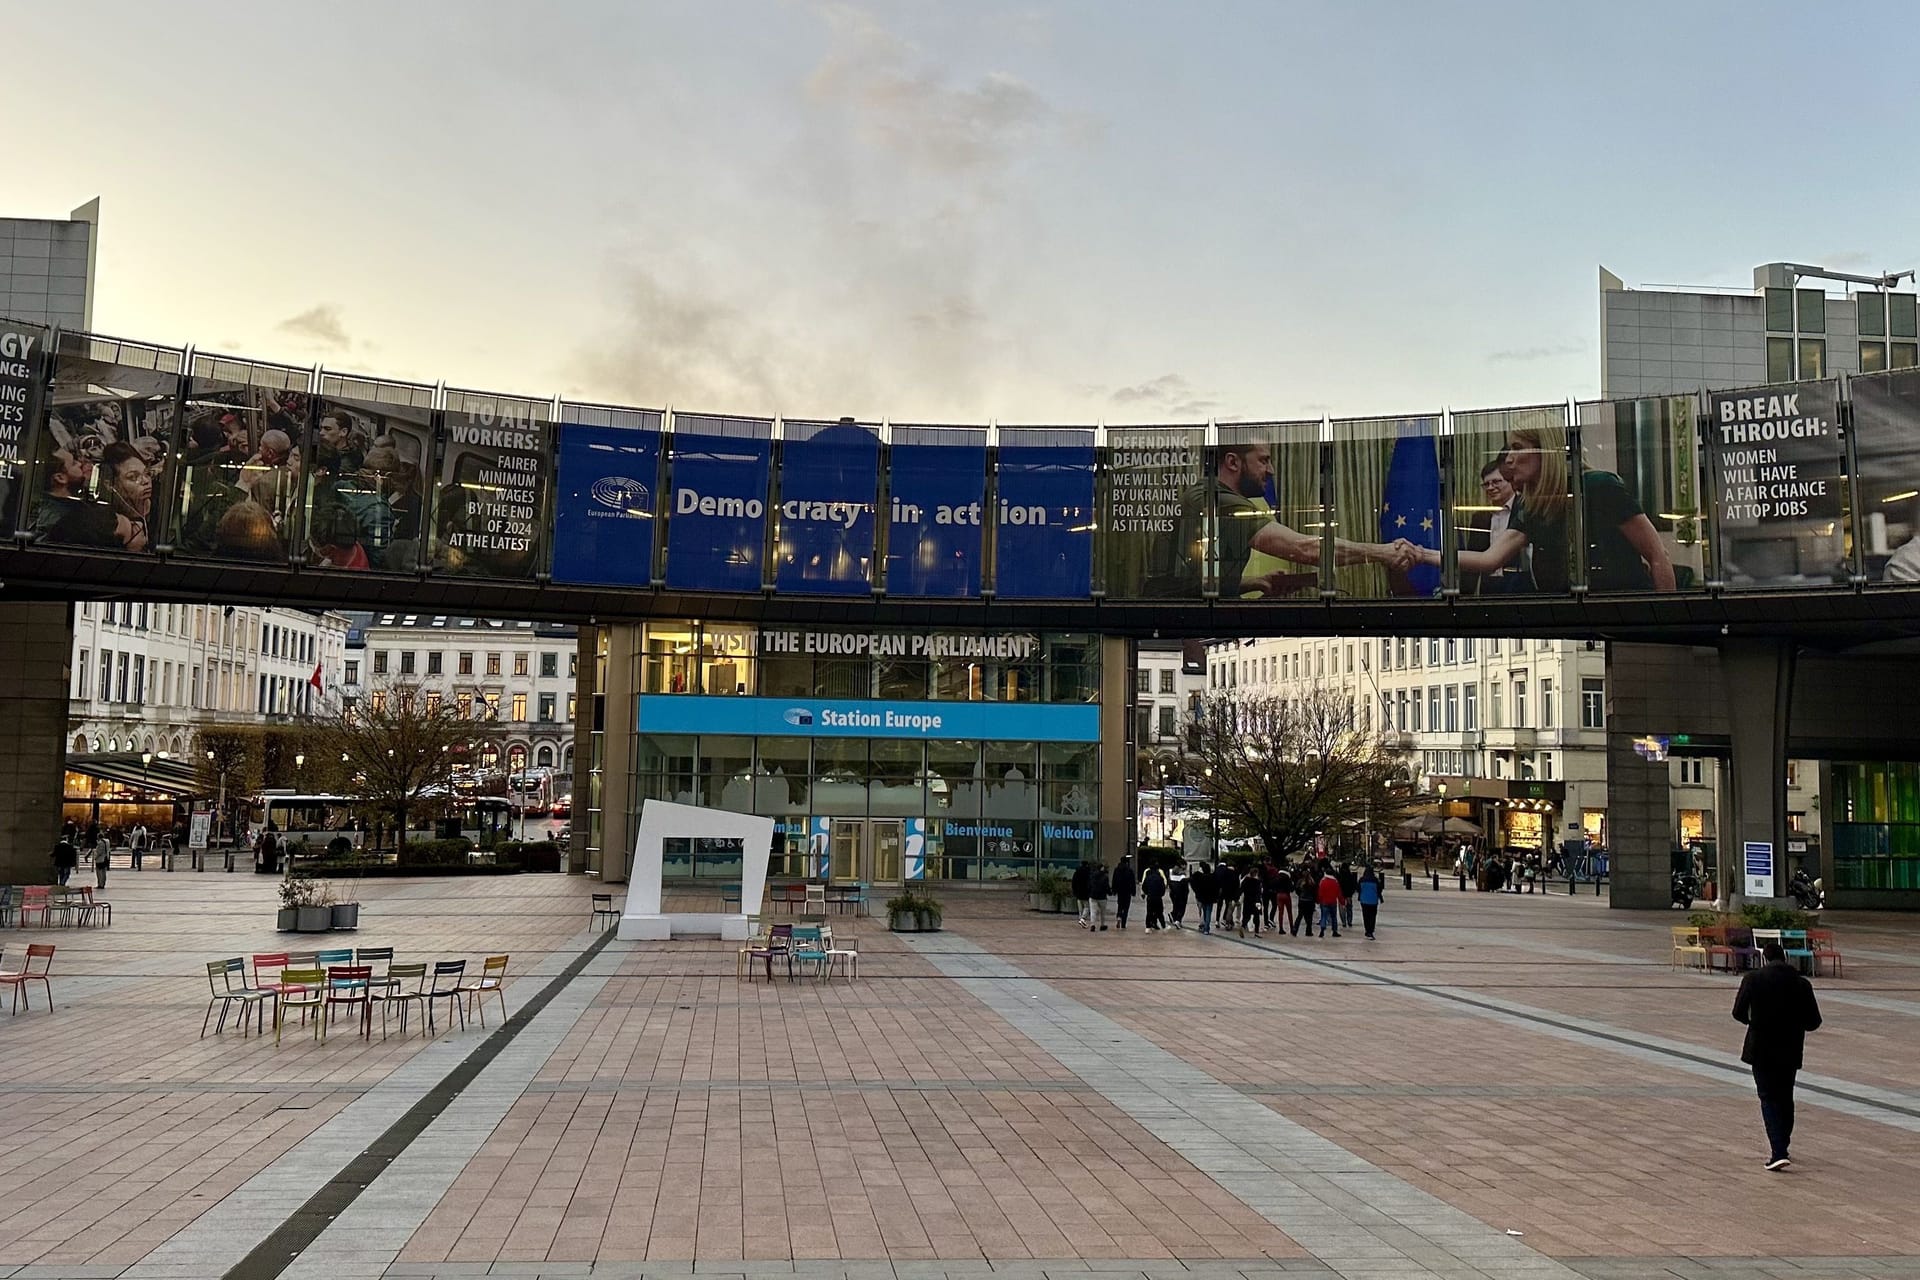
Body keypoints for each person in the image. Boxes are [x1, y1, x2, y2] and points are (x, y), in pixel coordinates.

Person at [1422, 420, 1676, 594]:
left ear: (1544, 451)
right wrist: (1423, 555)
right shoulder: (1532, 505)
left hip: (1624, 614)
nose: (1508, 459)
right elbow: (1490, 559)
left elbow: (1657, 555)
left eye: (1517, 448)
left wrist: (1665, 622)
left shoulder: (1600, 487)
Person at [1154, 441, 1418, 597]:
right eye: (1263, 460)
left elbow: (1192, 581)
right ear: (1233, 462)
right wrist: (1382, 553)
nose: (1271, 470)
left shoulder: (1217, 498)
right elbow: (1304, 549)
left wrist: (1257, 582)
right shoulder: (1215, 499)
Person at [1733, 940, 1823, 1170]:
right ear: (1785, 958)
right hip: (1790, 1049)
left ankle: (1778, 1150)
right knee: (1785, 1097)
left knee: (1768, 1097)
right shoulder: (1802, 984)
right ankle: (1783, 1144)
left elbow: (1738, 1012)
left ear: (1765, 957)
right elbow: (1814, 1021)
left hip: (1760, 1048)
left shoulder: (1752, 979)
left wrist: (1754, 1022)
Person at [1459, 456, 1535, 594]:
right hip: (1489, 587)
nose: (1490, 487)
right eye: (1486, 484)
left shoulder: (1526, 509)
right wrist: (1466, 595)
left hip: (1520, 584)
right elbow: (1474, 556)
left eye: (1496, 482)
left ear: (1510, 481)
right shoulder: (1480, 518)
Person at [1315, 864, 1343, 937]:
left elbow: (1320, 892)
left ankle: (1322, 930)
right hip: (1333, 902)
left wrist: (1318, 900)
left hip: (1324, 902)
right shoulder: (1335, 882)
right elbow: (1339, 893)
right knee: (1334, 917)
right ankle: (1334, 931)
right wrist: (1342, 901)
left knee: (1323, 916)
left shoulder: (1322, 882)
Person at [1357, 864, 1383, 939]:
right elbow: (1380, 889)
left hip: (1364, 901)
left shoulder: (1362, 880)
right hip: (1373, 901)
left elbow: (1358, 889)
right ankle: (1371, 930)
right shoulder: (1375, 880)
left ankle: (1367, 930)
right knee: (1372, 916)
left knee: (1366, 916)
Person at [1112, 854, 1138, 930]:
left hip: (1120, 891)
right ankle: (1123, 923)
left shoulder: (1117, 870)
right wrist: (1133, 891)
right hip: (1127, 891)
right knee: (1126, 907)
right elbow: (1132, 882)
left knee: (1120, 905)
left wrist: (1114, 890)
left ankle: (1119, 916)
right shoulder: (1129, 870)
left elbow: (1114, 880)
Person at [1191, 858, 1217, 934]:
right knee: (1209, 912)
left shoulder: (1201, 878)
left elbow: (1197, 887)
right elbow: (1216, 887)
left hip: (1202, 897)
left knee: (1205, 911)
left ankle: (1205, 926)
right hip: (1210, 897)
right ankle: (1206, 928)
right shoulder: (1212, 877)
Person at [1213, 859, 1239, 931]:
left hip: (1222, 891)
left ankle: (1217, 920)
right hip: (1230, 893)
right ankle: (1226, 920)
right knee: (1228, 906)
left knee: (1219, 905)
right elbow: (1237, 885)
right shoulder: (1235, 873)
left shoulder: (1222, 871)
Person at [1142, 859, 1168, 932]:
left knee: (1149, 912)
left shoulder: (1148, 877)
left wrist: (1147, 893)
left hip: (1150, 897)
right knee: (1160, 912)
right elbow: (1163, 887)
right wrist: (1161, 894)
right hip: (1158, 897)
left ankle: (1148, 927)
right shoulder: (1160, 878)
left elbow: (1144, 886)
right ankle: (1163, 926)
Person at [1238, 866, 1264, 937]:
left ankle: (1243, 926)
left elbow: (1241, 890)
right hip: (1256, 901)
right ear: (1256, 874)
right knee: (1257, 916)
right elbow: (1259, 892)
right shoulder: (1257, 882)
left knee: (1246, 915)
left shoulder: (1246, 880)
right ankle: (1256, 932)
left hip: (1247, 900)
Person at [1292, 863, 1317, 936]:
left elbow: (1296, 890)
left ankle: (1295, 929)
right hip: (1310, 901)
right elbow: (1314, 892)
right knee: (1309, 917)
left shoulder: (1300, 882)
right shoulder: (1312, 882)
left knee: (1300, 916)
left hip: (1302, 900)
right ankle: (1308, 931)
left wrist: (1300, 895)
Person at [1087, 860, 1111, 932]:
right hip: (1102, 896)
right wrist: (1109, 892)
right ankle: (1102, 925)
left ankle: (1093, 925)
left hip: (1093, 895)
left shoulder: (1092, 875)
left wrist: (1089, 892)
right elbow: (1107, 886)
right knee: (1103, 912)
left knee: (1093, 911)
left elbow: (1089, 885)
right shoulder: (1105, 876)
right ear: (1102, 868)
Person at [1168, 861, 1190, 930]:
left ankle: (1174, 916)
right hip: (1182, 894)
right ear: (1182, 865)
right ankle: (1178, 920)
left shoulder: (1171, 872)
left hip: (1173, 893)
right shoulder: (1183, 876)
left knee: (1176, 906)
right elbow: (1186, 886)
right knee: (1182, 907)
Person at [1337, 861, 1359, 928]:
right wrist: (1351, 893)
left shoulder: (1339, 876)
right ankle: (1349, 921)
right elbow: (1354, 885)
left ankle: (1344, 922)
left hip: (1341, 895)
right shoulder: (1350, 875)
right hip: (1349, 895)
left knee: (1342, 909)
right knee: (1349, 908)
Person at [1071, 860, 1093, 930]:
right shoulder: (1089, 872)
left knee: (1080, 907)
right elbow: (1090, 882)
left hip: (1078, 892)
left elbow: (1073, 882)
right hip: (1086, 892)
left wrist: (1074, 890)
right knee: (1086, 907)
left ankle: (1081, 919)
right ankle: (1083, 919)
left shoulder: (1077, 872)